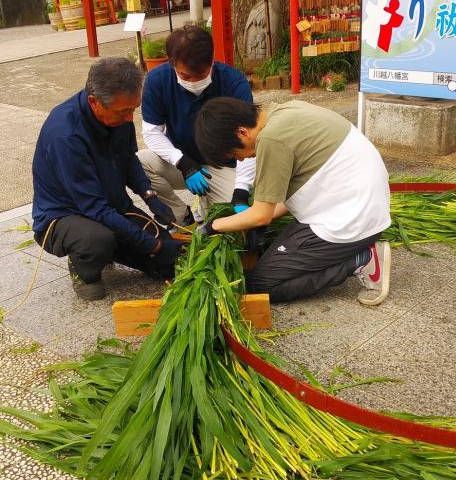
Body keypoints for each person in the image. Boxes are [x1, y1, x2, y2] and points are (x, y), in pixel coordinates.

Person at [193, 97, 392, 305]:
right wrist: (252, 218)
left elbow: (261, 216)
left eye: (235, 154)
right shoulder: (286, 110)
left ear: (242, 132)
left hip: (352, 221)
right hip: (363, 207)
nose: (242, 160)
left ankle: (363, 261)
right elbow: (282, 202)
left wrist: (212, 227)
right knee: (273, 256)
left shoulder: (270, 140)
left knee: (262, 284)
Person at [32, 57, 184, 301]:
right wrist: (151, 246)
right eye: (124, 111)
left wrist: (149, 196)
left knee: (169, 263)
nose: (129, 119)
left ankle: (115, 248)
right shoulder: (66, 134)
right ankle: (84, 268)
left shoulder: (118, 115)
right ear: (94, 102)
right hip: (65, 215)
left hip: (111, 206)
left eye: (133, 109)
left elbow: (129, 159)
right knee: (98, 240)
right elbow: (93, 207)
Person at [138, 25, 255, 226]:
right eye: (184, 76)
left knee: (228, 218)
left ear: (212, 62)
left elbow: (250, 141)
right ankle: (181, 217)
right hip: (182, 162)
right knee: (140, 162)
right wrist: (182, 162)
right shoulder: (157, 81)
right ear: (172, 63)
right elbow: (152, 133)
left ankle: (206, 204)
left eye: (200, 75)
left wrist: (242, 191)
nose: (193, 81)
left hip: (223, 164)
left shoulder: (234, 83)